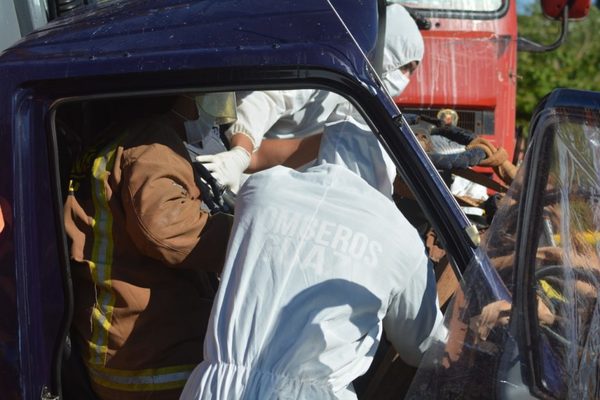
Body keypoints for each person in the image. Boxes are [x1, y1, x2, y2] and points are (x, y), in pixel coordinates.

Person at [180, 115, 447, 399]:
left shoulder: (261, 191)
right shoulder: (399, 234)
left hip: (216, 388)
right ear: (387, 167)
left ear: (323, 149)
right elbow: (420, 346)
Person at [63, 95, 233, 400]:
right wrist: (250, 232)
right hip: (151, 361)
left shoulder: (115, 139)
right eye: (195, 96)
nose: (203, 105)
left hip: (118, 350)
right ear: (173, 97)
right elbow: (166, 230)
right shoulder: (151, 143)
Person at [196, 3, 424, 195]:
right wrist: (239, 155)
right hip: (238, 167)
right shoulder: (327, 74)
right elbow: (265, 100)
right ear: (388, 53)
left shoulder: (359, 93)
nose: (406, 78)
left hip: (284, 179)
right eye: (405, 67)